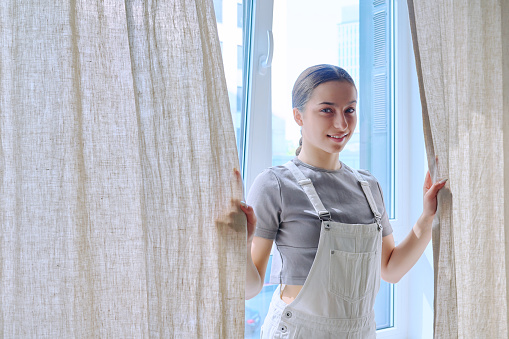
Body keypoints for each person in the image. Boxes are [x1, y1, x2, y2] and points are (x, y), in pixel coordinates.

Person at [239, 64, 447, 338]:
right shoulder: (274, 184)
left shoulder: (368, 186)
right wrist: (239, 244)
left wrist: (427, 216)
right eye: (327, 110)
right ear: (298, 116)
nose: (342, 123)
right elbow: (250, 288)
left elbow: (391, 269)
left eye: (349, 110)